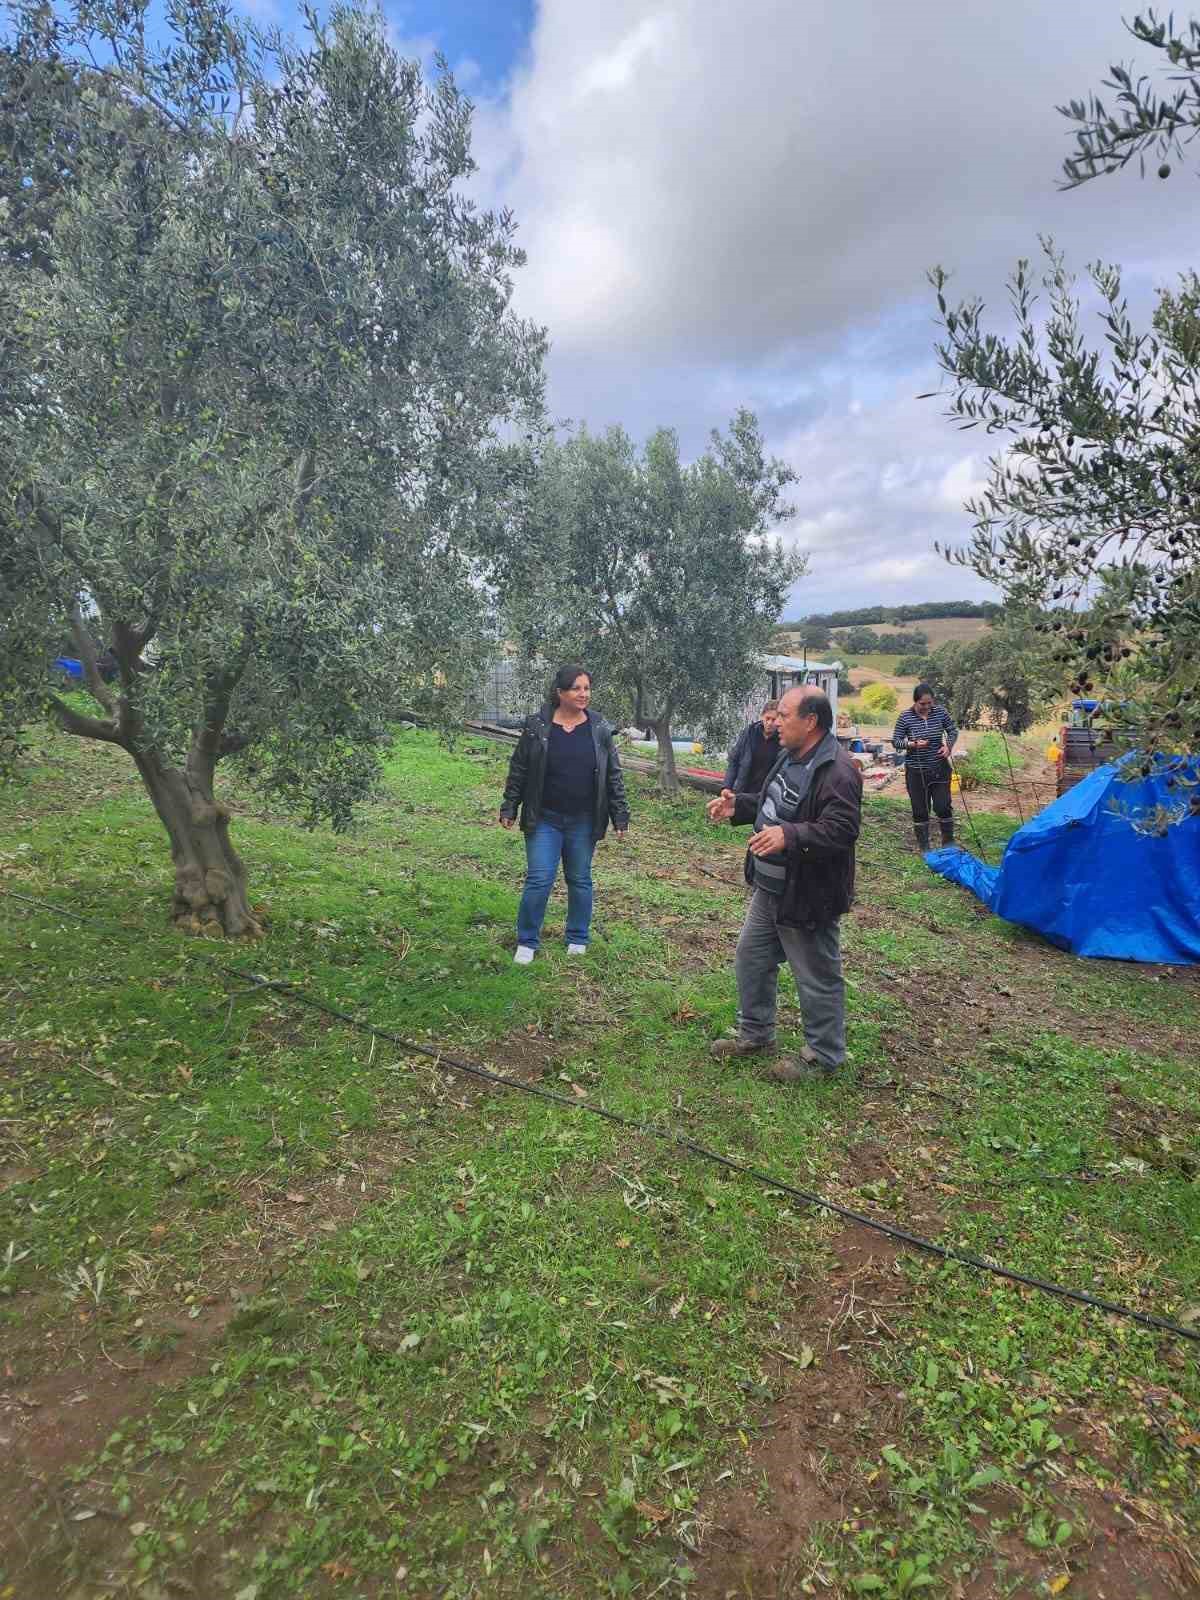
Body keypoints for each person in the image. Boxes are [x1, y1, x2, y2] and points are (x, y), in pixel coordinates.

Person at [706, 687, 862, 1083]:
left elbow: (841, 830)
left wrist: (790, 836)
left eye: (785, 715)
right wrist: (738, 806)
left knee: (816, 974)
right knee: (752, 958)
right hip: (771, 886)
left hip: (808, 893)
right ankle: (756, 1035)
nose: (775, 723)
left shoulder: (837, 769)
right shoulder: (790, 758)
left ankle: (824, 1057)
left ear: (810, 721)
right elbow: (772, 800)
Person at [500, 665, 629, 963]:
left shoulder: (599, 729)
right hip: (545, 817)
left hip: (583, 820)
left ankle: (577, 936)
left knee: (580, 878)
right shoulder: (537, 726)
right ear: (560, 693)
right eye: (576, 688)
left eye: (586, 688)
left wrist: (619, 815)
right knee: (539, 878)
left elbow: (613, 776)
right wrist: (510, 806)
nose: (583, 694)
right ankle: (527, 941)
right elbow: (519, 769)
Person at [892, 683, 958, 851]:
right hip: (916, 770)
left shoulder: (941, 712)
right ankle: (925, 847)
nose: (927, 707)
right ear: (915, 702)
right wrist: (913, 744)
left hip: (939, 768)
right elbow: (896, 741)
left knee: (943, 806)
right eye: (923, 704)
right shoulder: (905, 717)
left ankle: (948, 843)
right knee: (920, 810)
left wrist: (948, 746)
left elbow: (952, 730)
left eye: (930, 703)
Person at [723, 700, 780, 793]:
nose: (769, 723)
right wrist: (727, 786)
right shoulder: (750, 732)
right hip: (742, 789)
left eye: (774, 720)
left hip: (764, 794)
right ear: (762, 717)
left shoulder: (782, 740)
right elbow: (734, 760)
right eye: (767, 718)